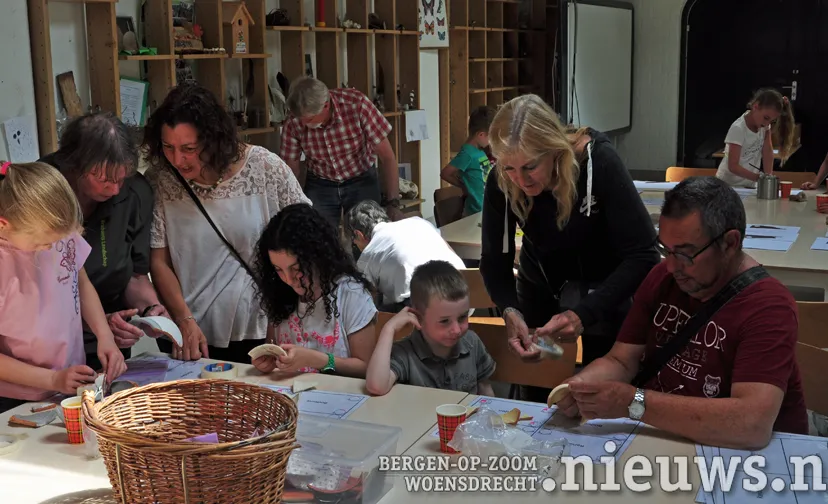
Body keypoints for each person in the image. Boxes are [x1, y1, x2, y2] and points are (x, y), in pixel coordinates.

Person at [556, 177, 808, 449]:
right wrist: (579, 387)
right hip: (664, 437)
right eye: (666, 250)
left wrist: (633, 403)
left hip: (740, 457)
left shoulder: (768, 306)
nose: (672, 266)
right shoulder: (662, 278)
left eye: (686, 254)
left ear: (730, 243)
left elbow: (751, 425)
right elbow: (620, 361)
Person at [479, 94, 660, 403]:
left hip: (606, 289)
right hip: (542, 285)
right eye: (509, 168)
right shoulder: (503, 182)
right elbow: (496, 260)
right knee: (540, 389)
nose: (520, 180)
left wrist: (584, 313)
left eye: (530, 167)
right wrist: (510, 309)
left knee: (598, 395)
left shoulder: (598, 163)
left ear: (553, 149)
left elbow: (644, 254)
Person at [143, 83, 310, 363]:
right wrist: (183, 319)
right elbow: (159, 260)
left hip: (263, 325)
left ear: (213, 139)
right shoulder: (161, 180)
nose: (177, 159)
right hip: (195, 331)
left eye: (188, 148)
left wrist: (289, 308)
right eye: (168, 147)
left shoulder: (264, 168)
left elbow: (307, 233)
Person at [40, 111, 169, 370]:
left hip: (111, 339)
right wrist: (99, 324)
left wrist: (151, 310)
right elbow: (39, 296)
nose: (115, 189)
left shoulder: (135, 193)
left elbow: (135, 275)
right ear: (74, 166)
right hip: (47, 344)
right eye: (104, 180)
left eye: (120, 179)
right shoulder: (42, 189)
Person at [0, 162, 126, 413]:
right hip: (17, 396)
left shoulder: (56, 232)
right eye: (43, 242)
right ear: (4, 224)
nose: (52, 248)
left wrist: (105, 336)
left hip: (69, 383)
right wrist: (51, 379)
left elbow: (81, 281)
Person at [251, 203, 377, 378]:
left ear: (317, 257)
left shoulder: (350, 294)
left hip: (341, 397)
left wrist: (318, 360)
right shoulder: (279, 291)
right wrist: (269, 361)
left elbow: (367, 367)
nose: (288, 279)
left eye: (296, 268)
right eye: (278, 269)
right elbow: (273, 347)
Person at [279, 77, 404, 225]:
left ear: (326, 106)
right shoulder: (294, 120)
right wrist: (292, 206)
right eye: (300, 119)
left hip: (361, 178)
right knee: (318, 237)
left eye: (309, 119)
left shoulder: (357, 105)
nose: (303, 124)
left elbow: (387, 157)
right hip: (320, 183)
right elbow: (291, 169)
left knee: (367, 235)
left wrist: (393, 203)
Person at [365, 260, 496, 396]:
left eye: (462, 317)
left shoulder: (472, 343)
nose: (457, 330)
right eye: (444, 321)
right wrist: (389, 328)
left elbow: (486, 391)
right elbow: (376, 386)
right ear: (419, 317)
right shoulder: (405, 352)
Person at [344, 199, 467, 312]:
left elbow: (367, 298)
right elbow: (449, 250)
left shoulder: (368, 254)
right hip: (465, 291)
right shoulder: (418, 222)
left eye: (354, 242)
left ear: (358, 234)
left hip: (428, 308)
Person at [716, 88, 796, 188]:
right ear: (755, 106)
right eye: (766, 118)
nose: (767, 123)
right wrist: (758, 178)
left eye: (771, 121)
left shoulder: (765, 127)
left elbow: (767, 153)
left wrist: (768, 177)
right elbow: (733, 166)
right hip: (728, 185)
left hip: (749, 185)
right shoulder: (738, 128)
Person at [440, 106, 496, 216]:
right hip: (475, 211)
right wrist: (463, 186)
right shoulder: (467, 153)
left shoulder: (479, 151)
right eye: (490, 137)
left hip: (486, 208)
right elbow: (445, 173)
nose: (491, 141)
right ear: (481, 135)